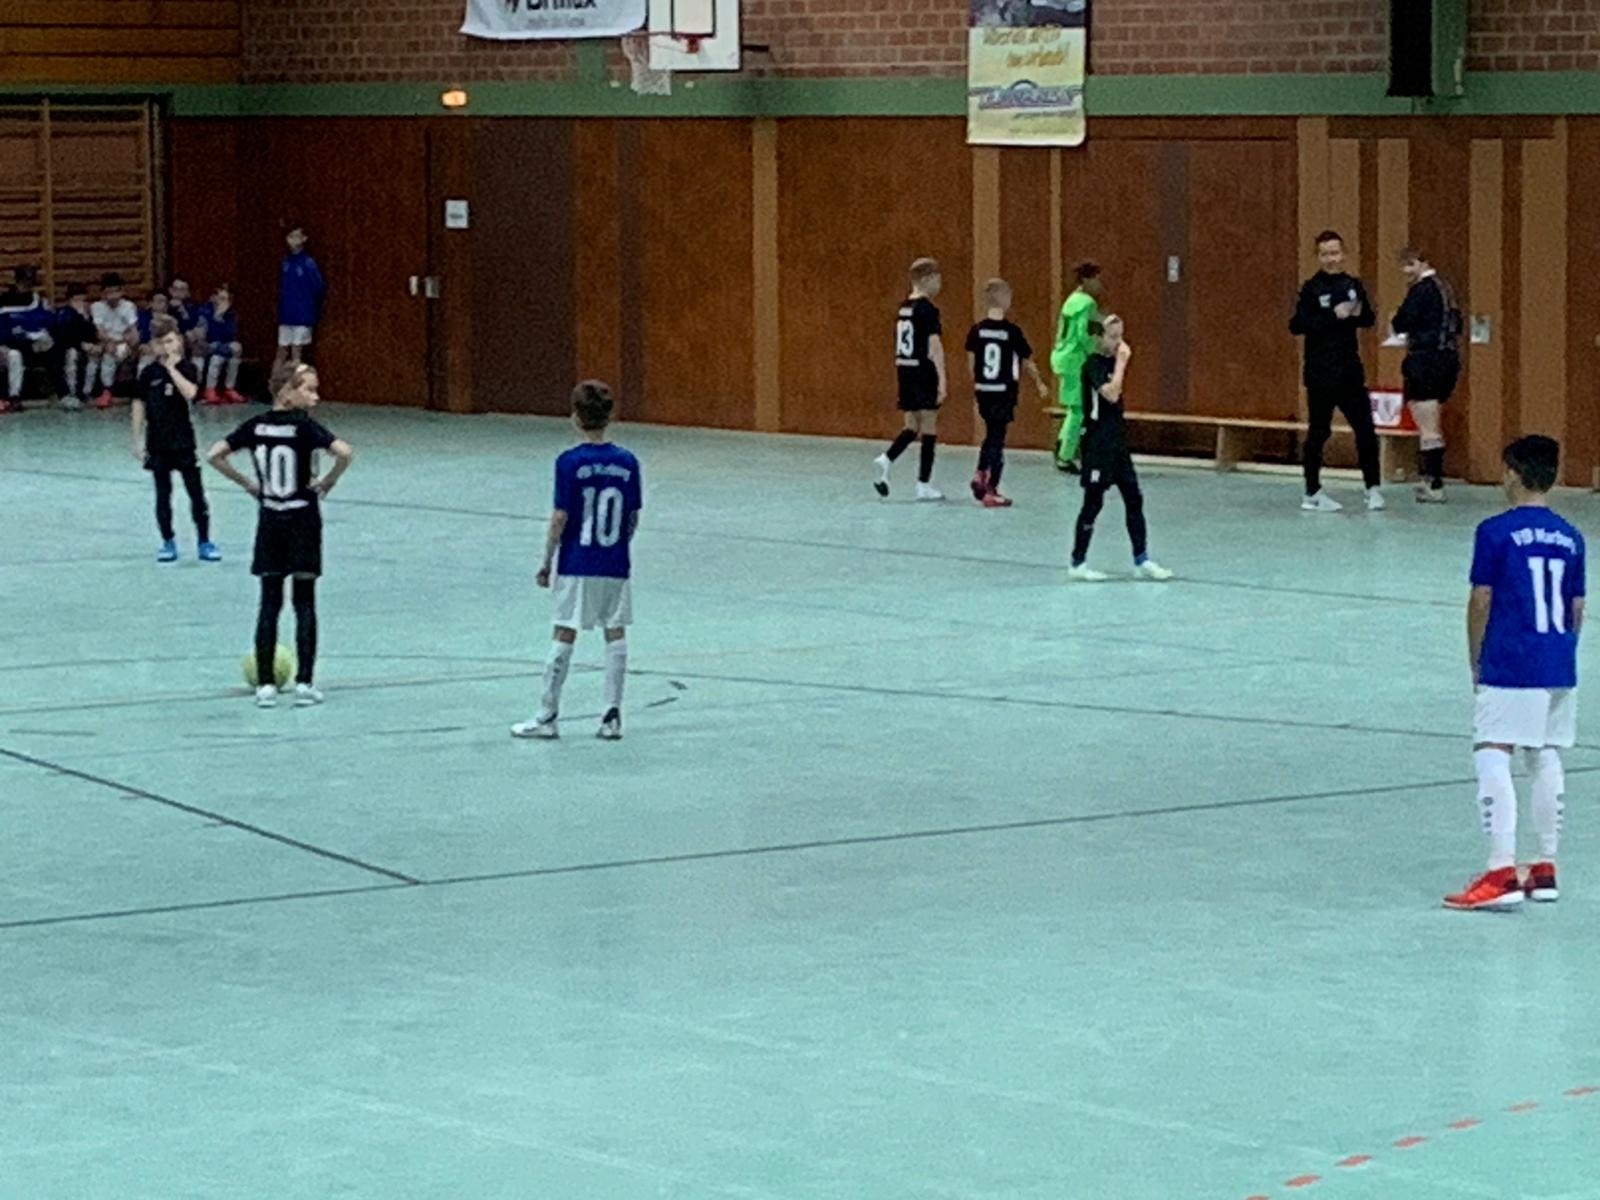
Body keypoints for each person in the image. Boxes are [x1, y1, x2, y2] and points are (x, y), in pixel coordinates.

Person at [1446, 436, 1584, 911]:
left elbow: (1481, 599)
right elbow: (1576, 606)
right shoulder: (1571, 536)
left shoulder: (1495, 532)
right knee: (1544, 753)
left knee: (1492, 750)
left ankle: (1500, 869)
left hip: (1512, 657)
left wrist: (1476, 657)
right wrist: (1563, 651)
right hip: (1558, 659)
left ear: (1513, 474)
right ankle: (1545, 866)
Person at [207, 364, 354, 709]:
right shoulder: (305, 427)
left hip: (271, 520)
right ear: (287, 391)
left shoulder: (256, 425)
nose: (315, 397)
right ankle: (305, 683)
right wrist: (330, 480)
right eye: (308, 390)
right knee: (305, 602)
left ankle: (266, 686)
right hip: (303, 519)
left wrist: (248, 484)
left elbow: (214, 455)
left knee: (269, 603)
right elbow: (345, 452)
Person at [513, 380, 643, 742]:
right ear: (611, 416)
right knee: (615, 632)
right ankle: (611, 717)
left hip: (577, 562)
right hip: (615, 563)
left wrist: (547, 561)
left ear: (575, 417)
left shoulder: (569, 462)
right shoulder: (628, 462)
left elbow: (561, 517)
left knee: (564, 631)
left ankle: (547, 715)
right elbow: (632, 516)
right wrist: (619, 547)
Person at [1067, 316, 1174, 583]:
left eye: (1120, 336)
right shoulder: (1093, 365)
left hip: (1117, 445)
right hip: (1097, 445)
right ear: (1098, 338)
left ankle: (1142, 558)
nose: (1118, 342)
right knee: (1093, 503)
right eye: (1113, 337)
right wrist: (1122, 363)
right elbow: (1112, 394)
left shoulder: (1112, 363)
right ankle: (1078, 562)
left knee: (1134, 499)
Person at [1290, 231, 1383, 513]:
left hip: (1350, 371)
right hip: (1321, 372)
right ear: (1318, 257)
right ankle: (1312, 491)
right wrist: (1333, 315)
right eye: (1325, 254)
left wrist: (1357, 312)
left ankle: (1373, 487)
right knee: (1319, 430)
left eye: (1335, 253)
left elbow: (1368, 319)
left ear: (1343, 254)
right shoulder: (1311, 289)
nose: (1331, 259)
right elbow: (1297, 324)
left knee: (1365, 428)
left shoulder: (1352, 284)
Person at [132, 315, 218, 564]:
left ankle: (204, 540)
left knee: (196, 494)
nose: (166, 347)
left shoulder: (188, 368)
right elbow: (139, 404)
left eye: (170, 341)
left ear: (178, 341)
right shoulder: (148, 373)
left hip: (183, 442)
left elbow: (191, 393)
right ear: (153, 345)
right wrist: (136, 439)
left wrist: (171, 369)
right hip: (158, 443)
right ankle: (168, 540)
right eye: (161, 343)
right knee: (163, 495)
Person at [965, 278, 1048, 508]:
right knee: (997, 439)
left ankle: (981, 472)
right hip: (1003, 391)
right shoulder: (1012, 332)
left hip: (984, 389)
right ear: (1003, 299)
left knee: (991, 434)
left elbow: (971, 362)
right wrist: (1040, 383)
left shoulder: (977, 330)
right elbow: (1027, 361)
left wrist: (977, 384)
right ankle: (988, 483)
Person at [1391, 247, 1462, 503]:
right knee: (1433, 421)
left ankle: (1434, 483)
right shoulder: (1447, 290)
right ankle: (1432, 480)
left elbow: (1400, 322)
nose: (1406, 271)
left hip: (1425, 361)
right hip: (1449, 360)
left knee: (1428, 428)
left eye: (1410, 265)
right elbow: (1458, 324)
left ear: (1423, 263)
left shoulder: (1421, 290)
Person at [873, 257, 947, 501]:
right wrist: (942, 379)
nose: (939, 284)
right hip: (923, 371)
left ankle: (887, 458)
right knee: (929, 427)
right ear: (927, 279)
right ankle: (923, 484)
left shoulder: (903, 308)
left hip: (905, 370)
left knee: (911, 425)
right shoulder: (928, 309)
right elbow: (934, 347)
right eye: (937, 279)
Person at [1050, 261, 1101, 472]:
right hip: (1075, 359)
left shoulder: (1070, 300)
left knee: (1072, 407)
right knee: (1079, 410)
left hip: (1061, 356)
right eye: (1096, 279)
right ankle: (1065, 456)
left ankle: (1062, 443)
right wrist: (1095, 349)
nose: (1099, 284)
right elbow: (1082, 334)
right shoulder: (1087, 303)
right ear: (1087, 280)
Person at [0, 265, 54, 412]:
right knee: (14, 355)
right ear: (17, 282)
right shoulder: (3, 302)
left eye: (29, 283)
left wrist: (36, 334)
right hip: (7, 345)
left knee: (50, 343)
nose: (26, 287)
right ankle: (14, 396)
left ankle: (58, 391)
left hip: (31, 345)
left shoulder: (38, 301)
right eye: (23, 283)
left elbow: (48, 323)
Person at [275, 224, 326, 371]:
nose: (293, 240)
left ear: (304, 238)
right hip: (286, 314)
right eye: (290, 236)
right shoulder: (286, 262)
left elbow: (318, 287)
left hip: (302, 314)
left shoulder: (308, 263)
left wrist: (307, 304)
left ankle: (294, 382)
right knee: (282, 349)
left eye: (297, 236)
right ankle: (276, 380)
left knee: (297, 351)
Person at [90, 272, 140, 407]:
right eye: (109, 292)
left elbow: (133, 331)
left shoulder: (128, 306)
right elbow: (100, 332)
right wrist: (109, 342)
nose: (113, 296)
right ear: (103, 293)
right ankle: (106, 391)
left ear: (121, 291)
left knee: (116, 353)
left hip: (124, 343)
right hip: (105, 343)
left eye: (115, 292)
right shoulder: (97, 307)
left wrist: (124, 343)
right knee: (108, 355)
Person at [198, 284, 244, 403]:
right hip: (206, 345)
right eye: (221, 298)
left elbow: (230, 335)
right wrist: (217, 318)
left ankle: (229, 388)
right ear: (213, 298)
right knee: (217, 358)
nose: (224, 302)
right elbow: (210, 336)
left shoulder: (230, 315)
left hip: (222, 346)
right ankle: (209, 389)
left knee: (235, 352)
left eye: (227, 299)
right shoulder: (204, 312)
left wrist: (222, 318)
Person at [56, 283, 99, 411]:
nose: (80, 303)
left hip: (84, 348)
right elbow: (65, 335)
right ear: (70, 301)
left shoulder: (87, 316)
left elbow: (92, 335)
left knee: (94, 355)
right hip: (65, 349)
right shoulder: (64, 314)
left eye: (83, 300)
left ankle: (86, 392)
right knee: (72, 354)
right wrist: (80, 344)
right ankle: (71, 392)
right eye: (77, 300)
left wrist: (92, 345)